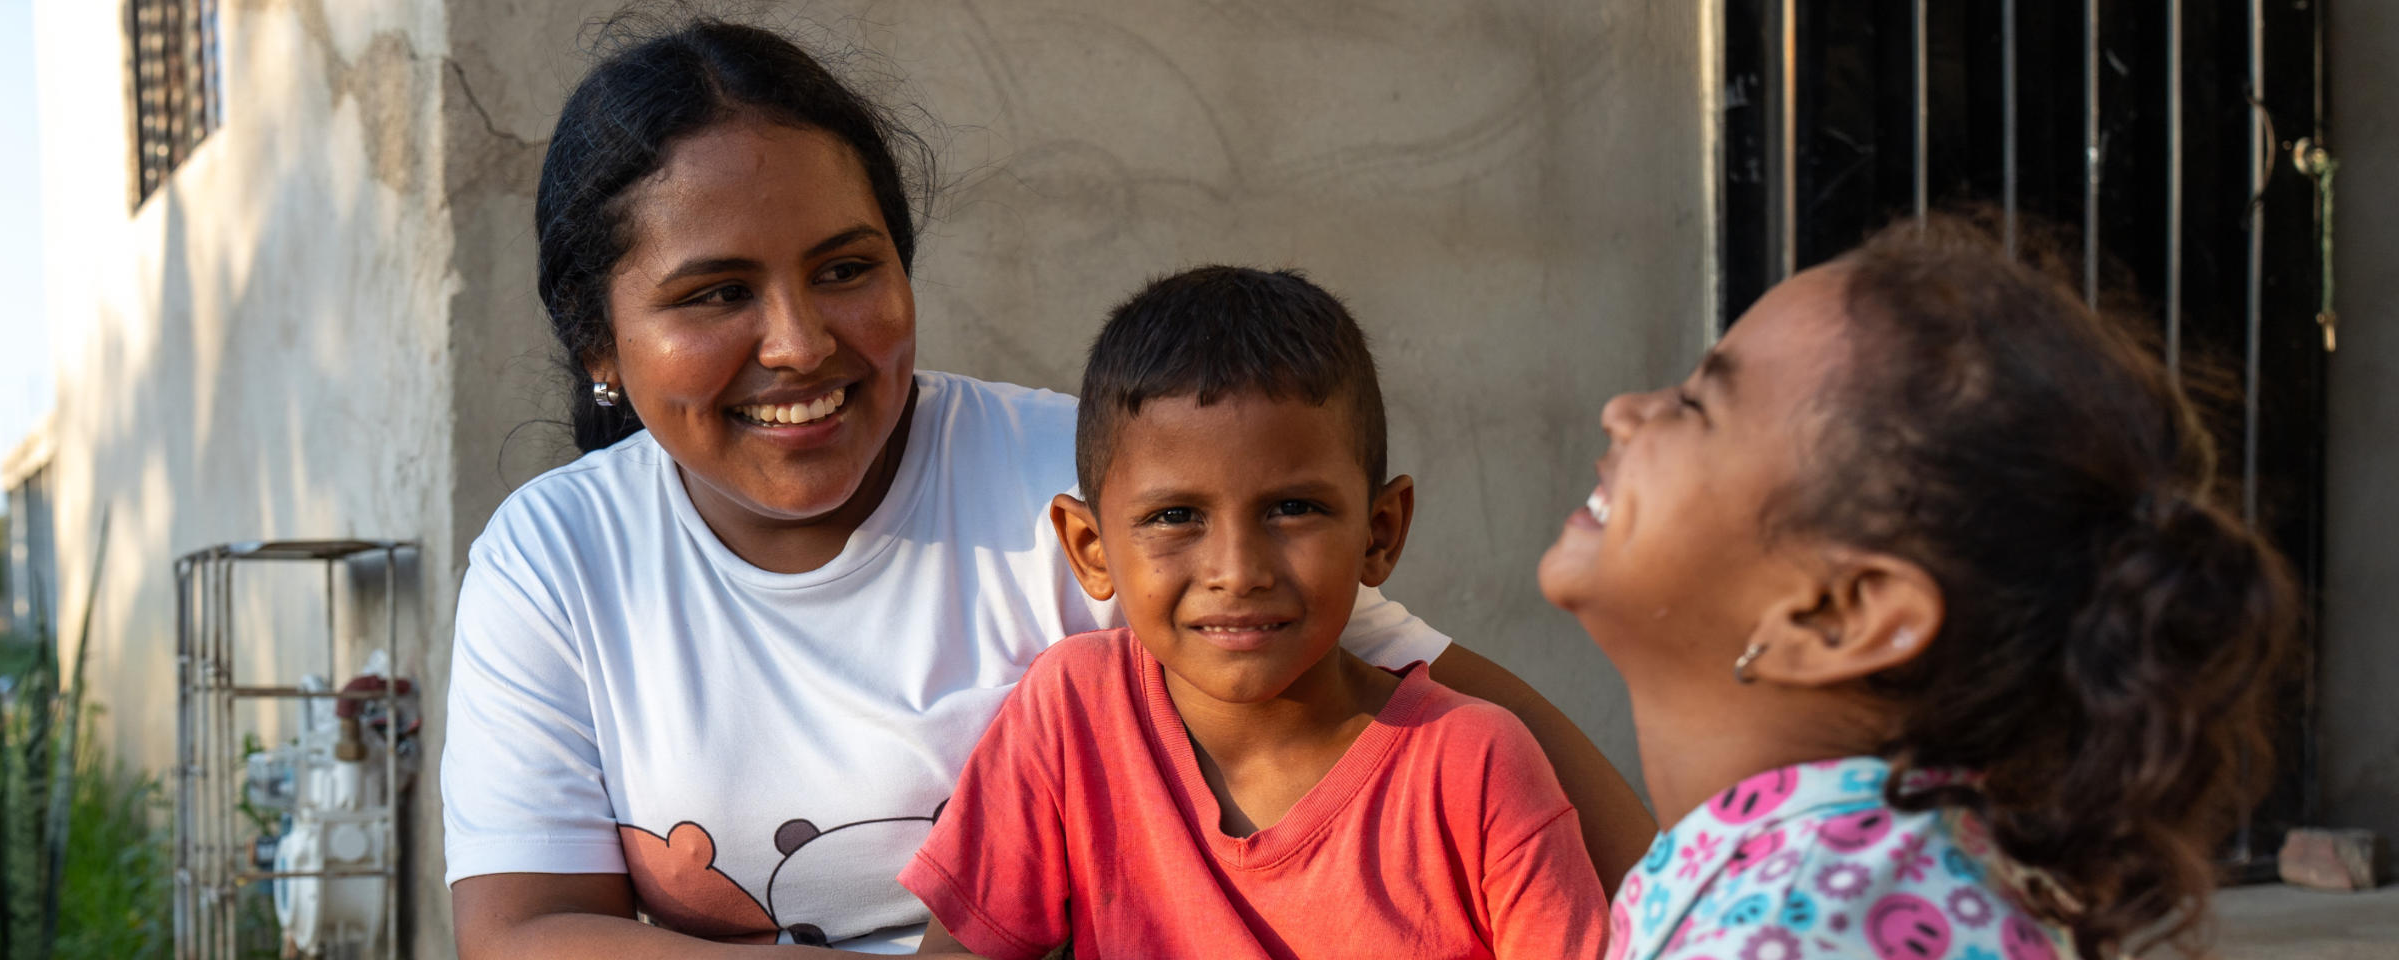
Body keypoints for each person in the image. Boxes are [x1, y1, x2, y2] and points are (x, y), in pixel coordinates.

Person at [442, 17, 1651, 957]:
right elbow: (524, 931)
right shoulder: (555, 559)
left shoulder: (1079, 485)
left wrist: (1717, 896)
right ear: (599, 344)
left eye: (847, 267)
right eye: (715, 294)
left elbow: (1420, 698)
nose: (801, 341)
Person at [1537, 213, 2299, 960]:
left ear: (1843, 613)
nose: (1625, 411)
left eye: (1697, 405)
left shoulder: (1792, 936)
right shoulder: (1870, 867)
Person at [902, 268, 1609, 960]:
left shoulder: (1474, 766)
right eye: (1175, 517)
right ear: (1090, 549)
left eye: (1293, 508)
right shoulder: (1074, 713)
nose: (1237, 571)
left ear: (1381, 531)